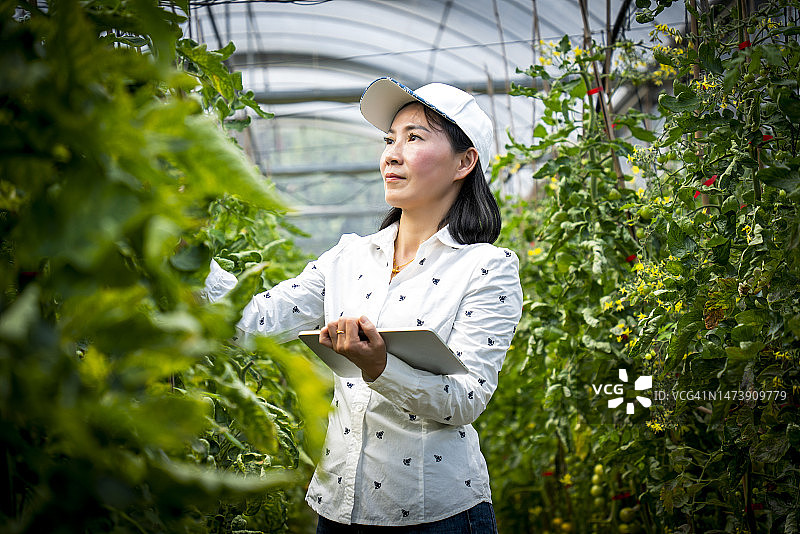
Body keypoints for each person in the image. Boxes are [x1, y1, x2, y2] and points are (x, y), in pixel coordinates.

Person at [204, 77, 522, 532]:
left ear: (464, 161)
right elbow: (248, 323)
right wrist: (187, 250)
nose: (391, 153)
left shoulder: (486, 268)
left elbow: (466, 400)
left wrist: (380, 367)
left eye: (414, 138)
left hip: (437, 516)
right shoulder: (348, 259)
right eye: (390, 139)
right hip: (337, 509)